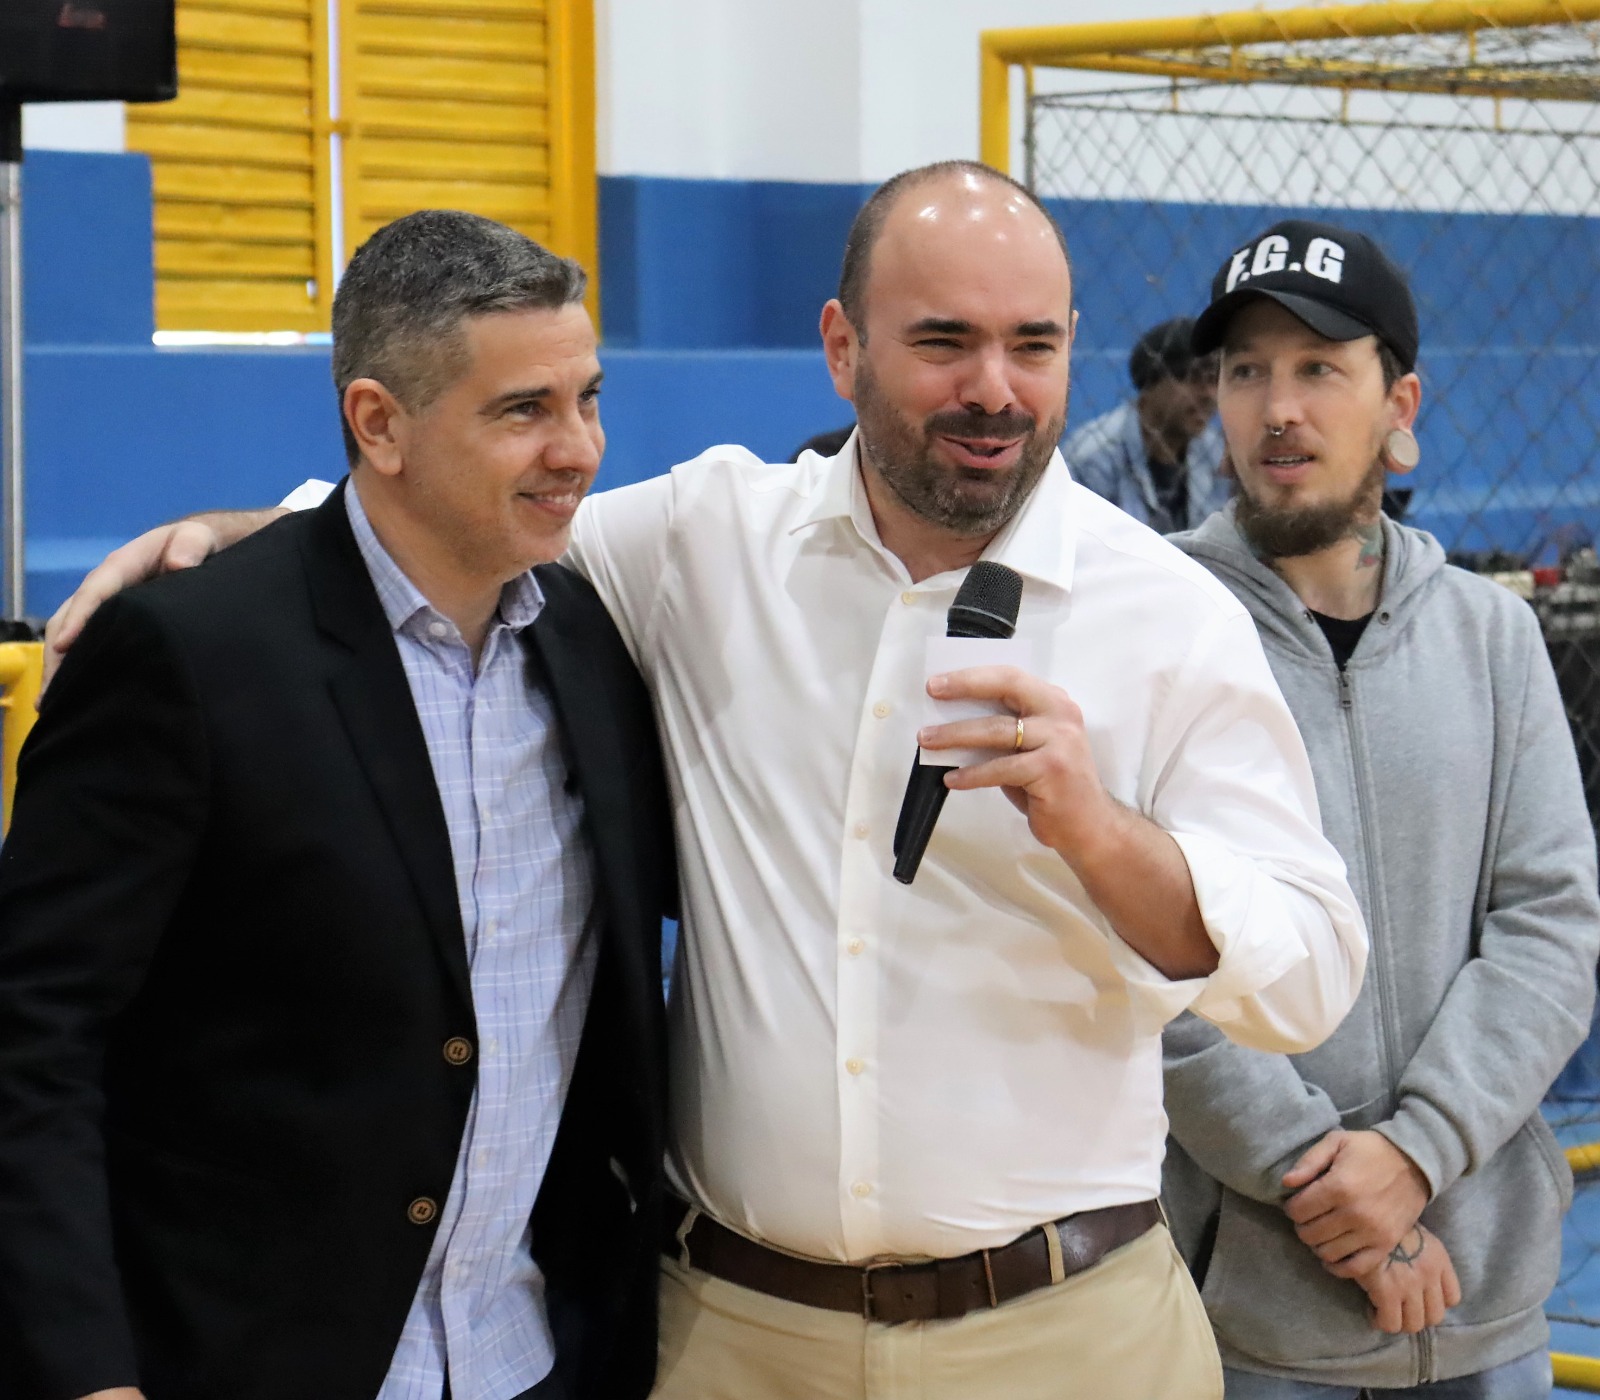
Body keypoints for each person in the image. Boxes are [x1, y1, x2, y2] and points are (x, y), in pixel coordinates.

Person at [44, 165, 1368, 1400]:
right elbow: (439, 524)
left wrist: (1100, 832)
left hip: (1063, 1332)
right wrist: (225, 536)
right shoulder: (705, 538)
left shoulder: (1168, 615)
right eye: (942, 342)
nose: (995, 389)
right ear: (842, 347)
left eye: (1033, 345)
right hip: (731, 1333)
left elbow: (1309, 976)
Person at [0, 212, 674, 1400]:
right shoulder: (188, 655)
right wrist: (85, 1372)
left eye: (587, 398)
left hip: (530, 1356)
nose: (578, 448)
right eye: (524, 410)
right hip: (243, 1358)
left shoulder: (589, 645)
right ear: (379, 423)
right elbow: (32, 1037)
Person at [1161, 219, 1600, 1397]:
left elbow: (1550, 923)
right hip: (1250, 1309)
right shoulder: (1155, 626)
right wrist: (1327, 1184)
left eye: (1318, 367)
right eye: (1245, 370)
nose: (1277, 409)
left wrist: (1413, 1154)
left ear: (1399, 404)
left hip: (1482, 1292)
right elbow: (1142, 961)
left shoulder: (1491, 636)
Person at [1061, 315, 1228, 532]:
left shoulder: (1213, 451)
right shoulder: (1094, 460)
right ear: (1150, 382)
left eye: (1214, 380)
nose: (1209, 395)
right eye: (1192, 378)